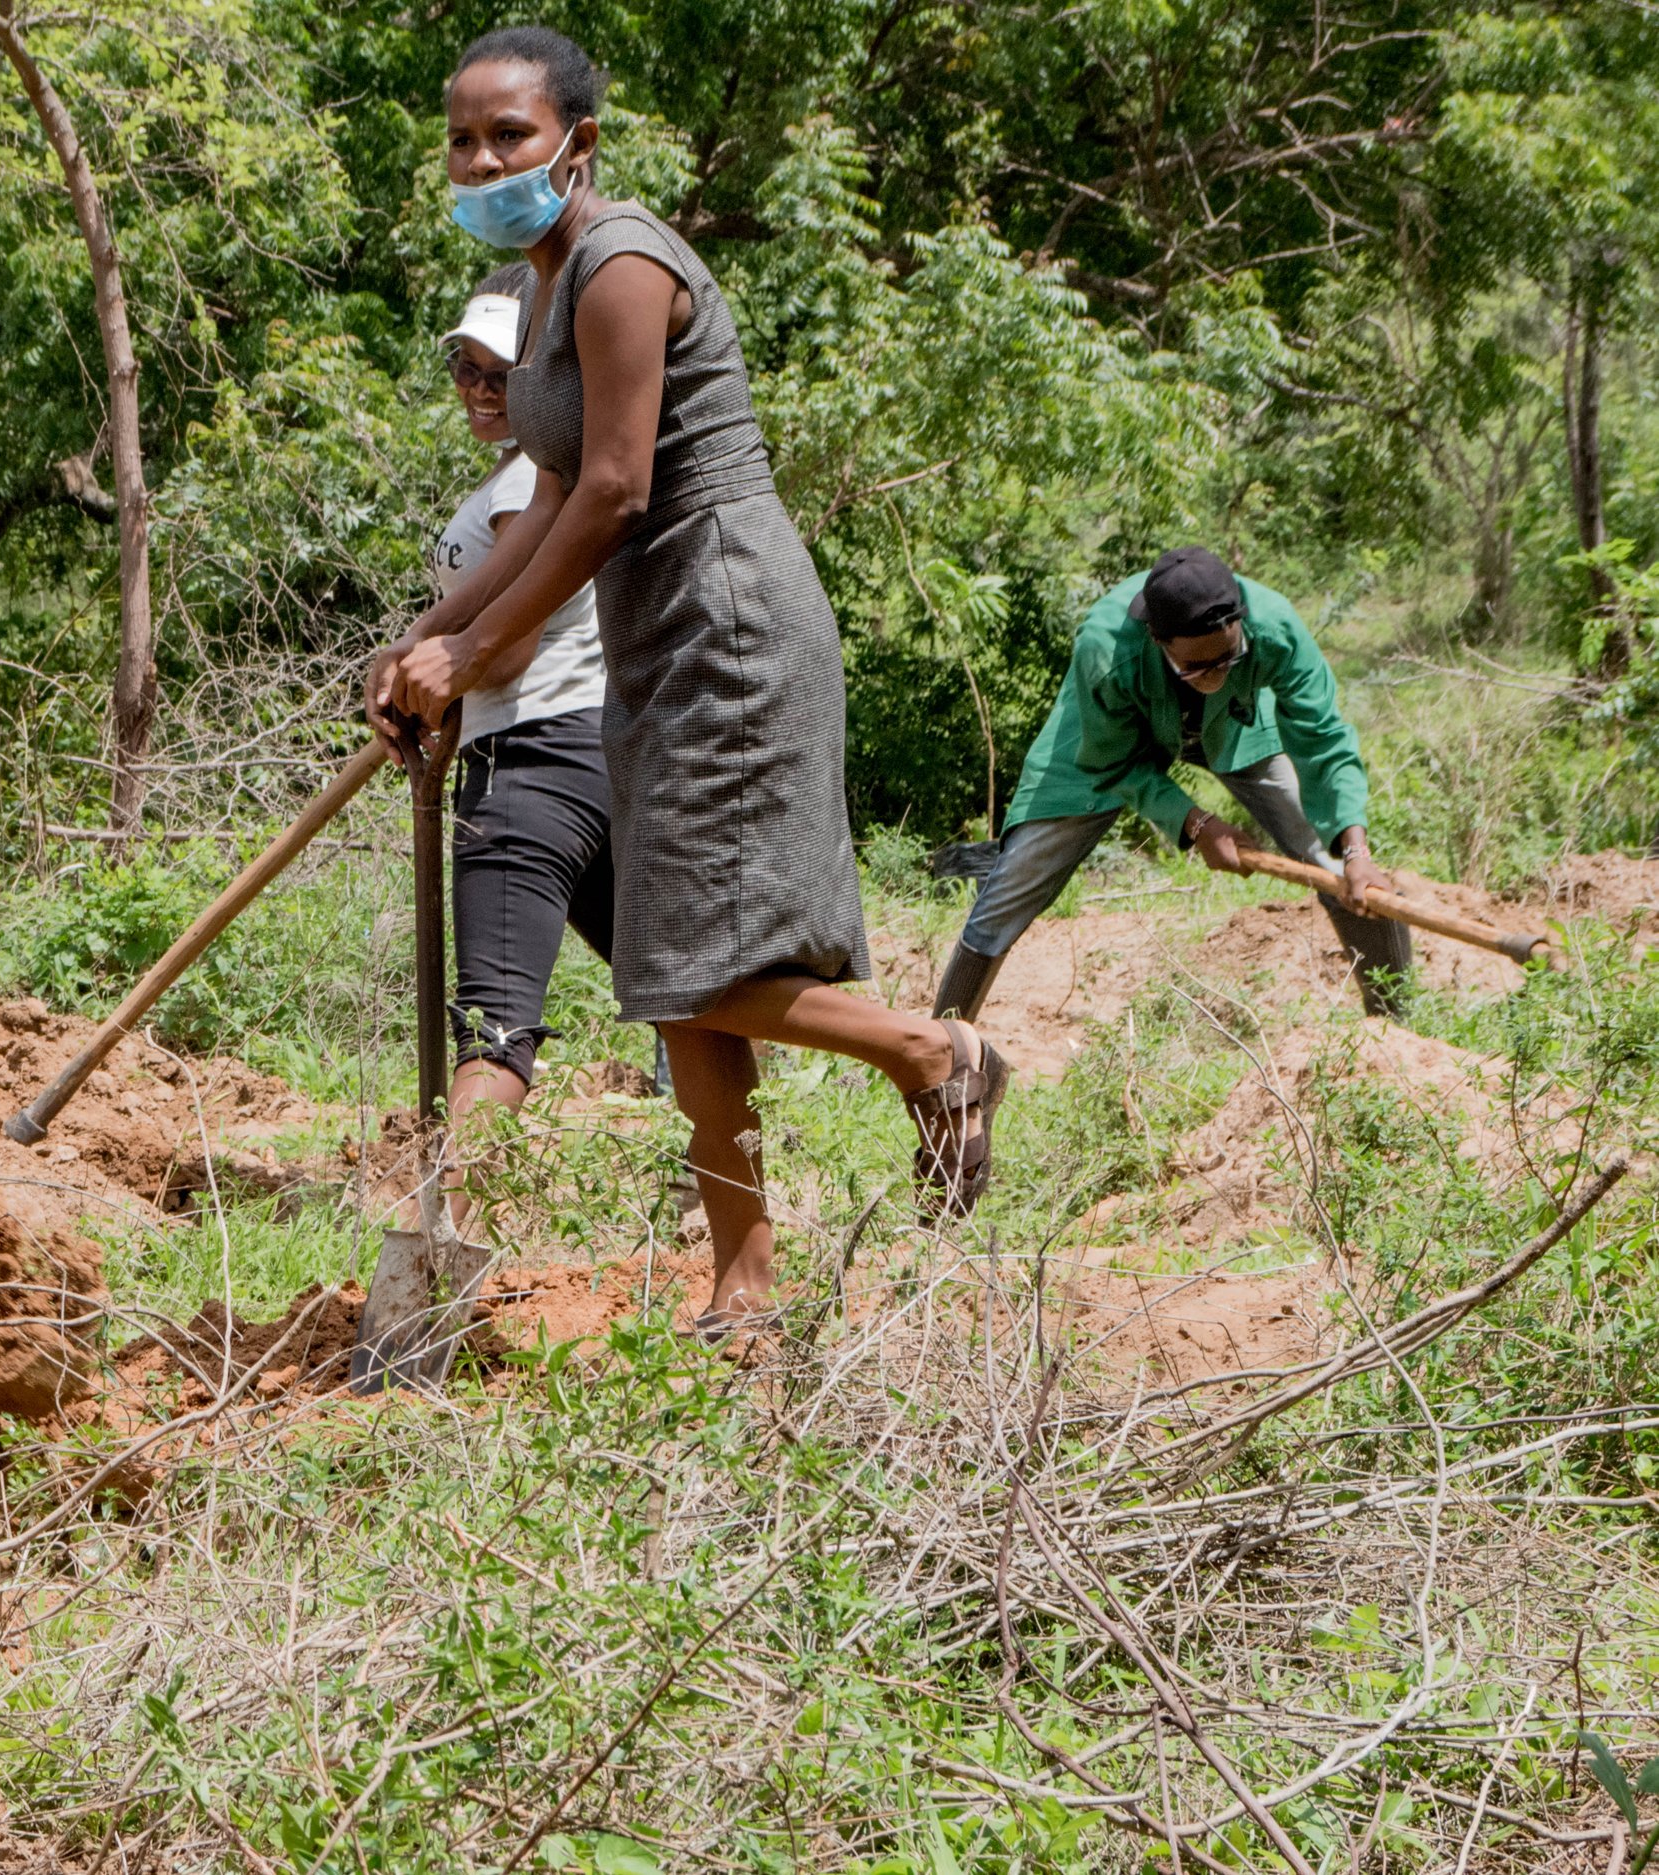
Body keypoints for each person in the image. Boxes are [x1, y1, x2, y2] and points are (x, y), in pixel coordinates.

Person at [371, 27, 1006, 1327]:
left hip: (725, 621)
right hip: (658, 641)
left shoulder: (619, 265)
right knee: (674, 973)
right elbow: (542, 494)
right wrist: (428, 636)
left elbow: (614, 488)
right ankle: (744, 1284)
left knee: (698, 965)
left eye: (512, 135)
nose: (484, 159)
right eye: (463, 139)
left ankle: (933, 1049)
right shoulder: (539, 287)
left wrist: (476, 656)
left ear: (577, 144)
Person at [932, 548, 1411, 1023]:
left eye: (1228, 658)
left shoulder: (1273, 627)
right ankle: (940, 1052)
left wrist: (1355, 851)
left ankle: (1396, 1032)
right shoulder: (1107, 649)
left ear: (1240, 624)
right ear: (1157, 640)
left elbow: (1324, 738)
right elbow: (1111, 764)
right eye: (1197, 669)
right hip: (1107, 743)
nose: (1216, 676)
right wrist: (1197, 824)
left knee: (1328, 854)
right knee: (1013, 885)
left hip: (1235, 728)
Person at [429, 268, 613, 1176]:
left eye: (500, 371)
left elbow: (505, 647)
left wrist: (434, 683)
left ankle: (432, 1257)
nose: (479, 387)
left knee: (494, 1025)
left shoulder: (524, 492)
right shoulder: (534, 479)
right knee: (698, 992)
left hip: (525, 759)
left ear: (540, 379)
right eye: (465, 367)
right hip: (592, 749)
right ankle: (920, 1050)